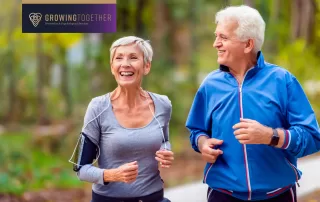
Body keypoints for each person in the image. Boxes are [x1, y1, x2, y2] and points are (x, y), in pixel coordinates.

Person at [185, 5, 320, 202]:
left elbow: (312, 138)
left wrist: (271, 136)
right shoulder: (210, 85)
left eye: (223, 37)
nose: (216, 43)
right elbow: (196, 131)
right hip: (222, 195)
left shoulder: (282, 81)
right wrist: (203, 143)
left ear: (248, 44)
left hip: (277, 195)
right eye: (216, 36)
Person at [69, 36, 174, 202]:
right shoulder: (97, 107)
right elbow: (79, 168)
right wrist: (113, 174)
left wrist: (166, 150)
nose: (125, 63)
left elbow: (165, 140)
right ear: (112, 67)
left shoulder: (163, 104)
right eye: (119, 58)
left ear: (146, 66)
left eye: (133, 57)